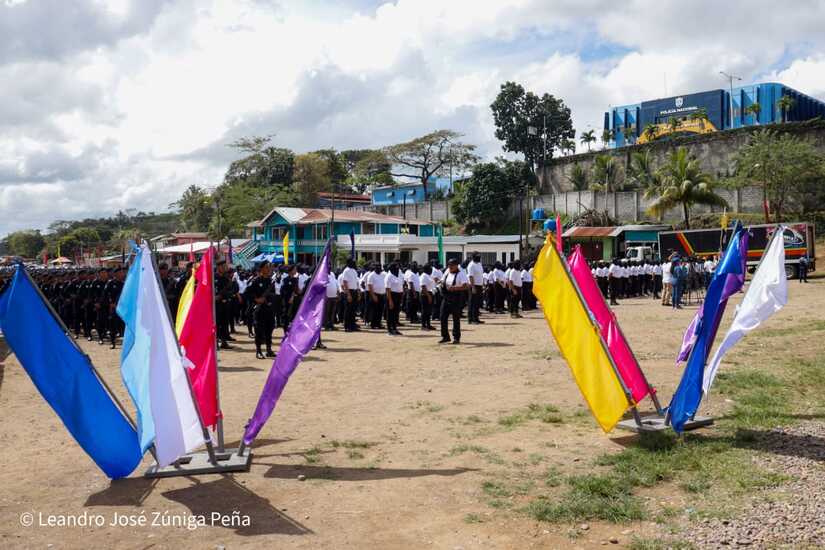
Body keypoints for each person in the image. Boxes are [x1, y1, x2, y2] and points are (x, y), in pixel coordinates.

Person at [249, 261, 276, 359]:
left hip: (269, 310)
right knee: (259, 331)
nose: (269, 269)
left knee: (269, 330)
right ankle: (259, 351)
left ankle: (269, 349)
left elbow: (273, 294)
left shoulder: (270, 281)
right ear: (261, 269)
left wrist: (270, 300)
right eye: (266, 267)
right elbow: (249, 293)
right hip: (259, 310)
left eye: (269, 267)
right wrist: (257, 299)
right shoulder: (256, 281)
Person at [439, 258, 469, 344]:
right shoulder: (447, 271)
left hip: (456, 297)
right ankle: (445, 336)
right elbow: (442, 280)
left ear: (456, 265)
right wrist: (441, 284)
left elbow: (466, 286)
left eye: (452, 265)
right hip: (446, 297)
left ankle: (456, 337)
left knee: (456, 318)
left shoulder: (461, 274)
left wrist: (455, 288)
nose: (450, 267)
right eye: (449, 265)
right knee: (442, 317)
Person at [105, 267, 125, 349]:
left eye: (122, 273)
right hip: (113, 308)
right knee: (112, 326)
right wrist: (110, 303)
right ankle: (113, 342)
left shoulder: (124, 284)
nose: (122, 274)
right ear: (115, 274)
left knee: (123, 325)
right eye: (120, 273)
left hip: (122, 308)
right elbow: (105, 294)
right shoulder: (110, 283)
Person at [340, 258, 360, 332]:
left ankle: (352, 325)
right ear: (349, 263)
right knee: (348, 310)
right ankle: (347, 326)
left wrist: (358, 292)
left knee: (353, 310)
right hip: (350, 291)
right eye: (352, 262)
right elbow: (345, 282)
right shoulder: (346, 270)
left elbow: (356, 282)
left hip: (354, 291)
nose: (354, 263)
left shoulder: (354, 271)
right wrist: (348, 294)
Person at [385, 263, 403, 336]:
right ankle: (389, 330)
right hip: (391, 295)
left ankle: (395, 329)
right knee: (390, 314)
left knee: (395, 314)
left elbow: (400, 286)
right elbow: (387, 289)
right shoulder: (388, 276)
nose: (397, 269)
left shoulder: (398, 275)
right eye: (396, 267)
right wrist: (390, 301)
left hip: (398, 295)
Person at [366, 264, 386, 330]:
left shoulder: (383, 275)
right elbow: (369, 285)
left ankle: (378, 323)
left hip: (382, 295)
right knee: (374, 310)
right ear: (375, 267)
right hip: (375, 295)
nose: (379, 268)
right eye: (377, 267)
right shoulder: (371, 275)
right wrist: (373, 295)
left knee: (380, 311)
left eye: (380, 267)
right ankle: (373, 324)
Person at [467, 254, 484, 324]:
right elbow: (471, 276)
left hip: (479, 285)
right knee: (472, 303)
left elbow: (480, 275)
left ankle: (476, 318)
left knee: (477, 303)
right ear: (473, 257)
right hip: (474, 286)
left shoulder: (479, 264)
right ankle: (471, 319)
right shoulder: (471, 265)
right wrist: (473, 287)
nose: (479, 257)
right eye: (477, 256)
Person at [420, 264, 436, 330]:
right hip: (425, 294)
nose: (431, 270)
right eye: (429, 268)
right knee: (425, 311)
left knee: (429, 311)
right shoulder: (423, 276)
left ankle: (428, 324)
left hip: (430, 293)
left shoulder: (428, 276)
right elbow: (423, 287)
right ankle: (423, 325)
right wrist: (428, 296)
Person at [324, 264, 339, 330]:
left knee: (333, 312)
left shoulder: (332, 274)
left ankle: (331, 325)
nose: (330, 267)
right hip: (327, 296)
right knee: (327, 312)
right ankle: (327, 325)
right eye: (328, 266)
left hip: (334, 296)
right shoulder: (323, 274)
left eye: (330, 266)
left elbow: (335, 282)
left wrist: (338, 291)